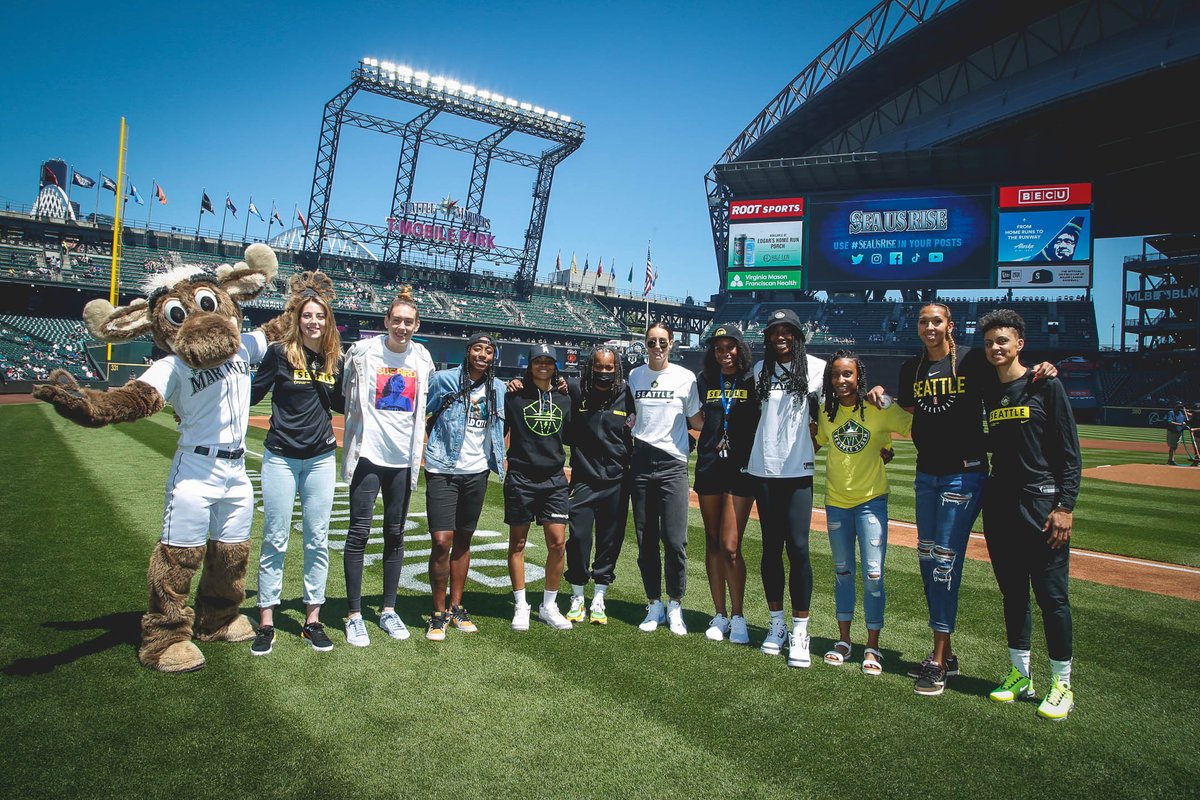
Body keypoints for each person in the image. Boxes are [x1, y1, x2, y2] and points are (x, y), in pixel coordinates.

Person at [896, 302, 1056, 696]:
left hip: (964, 473)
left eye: (936, 321)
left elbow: (1009, 379)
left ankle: (936, 660)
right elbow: (908, 412)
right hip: (925, 474)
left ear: (950, 324)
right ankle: (946, 652)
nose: (929, 327)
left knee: (945, 562)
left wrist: (1043, 369)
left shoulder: (973, 361)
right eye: (923, 321)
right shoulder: (910, 369)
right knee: (927, 558)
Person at [978, 309, 1081, 721]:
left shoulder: (1046, 385)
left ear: (1019, 343)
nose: (995, 348)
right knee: (1014, 594)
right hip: (1000, 504)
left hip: (1042, 506)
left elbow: (1070, 453)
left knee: (1052, 598)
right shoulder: (988, 389)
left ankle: (1062, 683)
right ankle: (1021, 674)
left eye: (1002, 341)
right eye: (988, 343)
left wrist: (1065, 506)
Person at [248, 285, 343, 655]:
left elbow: (343, 403)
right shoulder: (278, 354)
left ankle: (312, 620)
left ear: (328, 320)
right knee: (275, 537)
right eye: (307, 315)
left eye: (320, 316)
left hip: (320, 458)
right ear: (297, 319)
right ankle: (267, 621)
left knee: (317, 539)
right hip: (281, 457)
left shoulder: (335, 358)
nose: (314, 321)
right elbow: (251, 394)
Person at [339, 286, 435, 646]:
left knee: (395, 534)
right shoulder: (363, 352)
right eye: (396, 320)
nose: (402, 327)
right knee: (359, 532)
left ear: (417, 324)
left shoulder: (423, 358)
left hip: (402, 460)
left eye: (408, 322)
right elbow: (341, 391)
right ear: (386, 321)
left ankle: (389, 610)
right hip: (368, 455)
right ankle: (353, 614)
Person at [813, 351, 910, 675]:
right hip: (836, 503)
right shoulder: (826, 413)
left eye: (847, 374)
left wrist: (890, 401)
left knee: (873, 575)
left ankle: (873, 645)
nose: (841, 381)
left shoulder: (876, 409)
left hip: (871, 502)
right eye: (836, 375)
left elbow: (910, 427)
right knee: (842, 573)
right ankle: (843, 641)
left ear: (858, 377)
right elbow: (813, 442)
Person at [747, 308, 825, 667]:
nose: (780, 336)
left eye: (787, 330)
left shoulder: (818, 369)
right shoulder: (759, 370)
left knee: (799, 548)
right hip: (764, 470)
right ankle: (776, 624)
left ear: (797, 334)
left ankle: (800, 630)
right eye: (774, 331)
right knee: (770, 549)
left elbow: (832, 416)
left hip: (798, 473)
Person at [422, 333, 506, 641]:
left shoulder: (498, 389)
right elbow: (422, 410)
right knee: (442, 540)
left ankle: (456, 607)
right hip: (443, 468)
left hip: (477, 472)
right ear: (467, 351)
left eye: (488, 351)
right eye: (478, 349)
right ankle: (437, 612)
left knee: (464, 540)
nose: (482, 355)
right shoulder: (444, 380)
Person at [628, 322, 703, 636]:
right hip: (641, 462)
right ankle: (653, 603)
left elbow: (697, 419)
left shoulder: (686, 378)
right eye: (651, 342)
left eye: (662, 342)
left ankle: (675, 604)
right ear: (645, 345)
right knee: (646, 540)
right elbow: (629, 414)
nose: (656, 347)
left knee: (674, 540)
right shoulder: (634, 376)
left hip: (673, 465)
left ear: (672, 344)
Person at [694, 325, 759, 644]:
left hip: (741, 469)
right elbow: (696, 418)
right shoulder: (705, 380)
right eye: (719, 348)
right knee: (712, 541)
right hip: (709, 465)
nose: (724, 353)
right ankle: (718, 614)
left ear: (740, 349)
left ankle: (738, 616)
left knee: (731, 546)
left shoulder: (752, 379)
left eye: (730, 347)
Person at [562, 345, 635, 625]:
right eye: (599, 367)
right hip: (584, 479)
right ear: (590, 367)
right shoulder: (576, 389)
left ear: (616, 369)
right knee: (579, 538)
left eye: (609, 367)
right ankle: (578, 595)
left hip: (617, 481)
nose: (604, 372)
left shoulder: (627, 394)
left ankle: (600, 596)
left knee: (609, 540)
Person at [504, 344, 573, 631]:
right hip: (521, 476)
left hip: (554, 479)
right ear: (530, 365)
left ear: (555, 366)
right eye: (537, 361)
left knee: (558, 543)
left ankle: (549, 605)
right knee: (517, 543)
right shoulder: (514, 395)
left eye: (548, 361)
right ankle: (521, 605)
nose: (543, 365)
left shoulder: (565, 397)